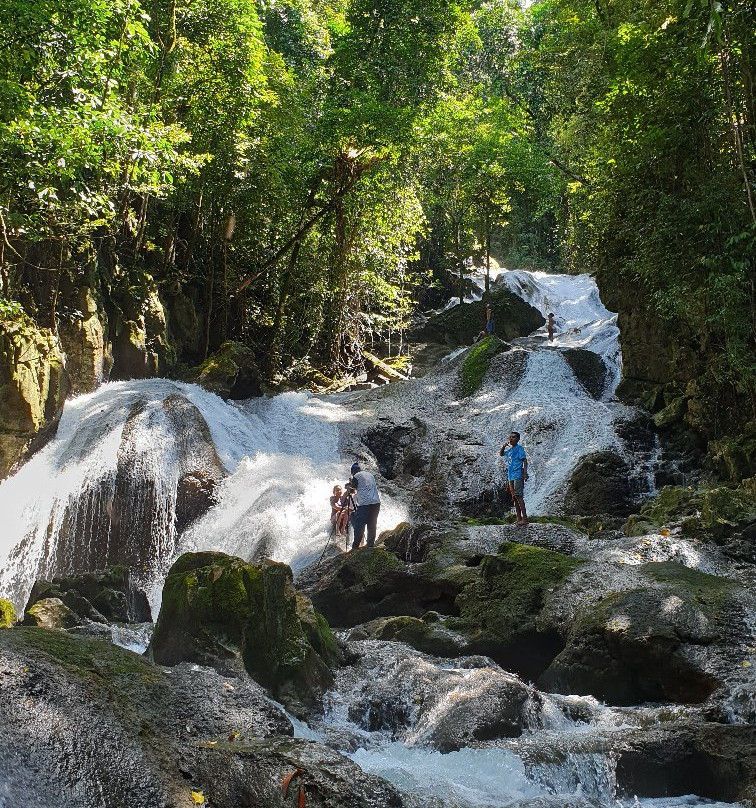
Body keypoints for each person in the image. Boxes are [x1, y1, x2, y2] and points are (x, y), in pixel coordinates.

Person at [348, 462, 381, 550]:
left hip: (364, 504)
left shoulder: (356, 476)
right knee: (372, 523)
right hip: (376, 503)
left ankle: (355, 547)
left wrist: (349, 485)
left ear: (353, 471)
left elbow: (353, 488)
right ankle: (370, 545)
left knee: (360, 525)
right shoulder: (370, 475)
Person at [499, 431, 529, 526]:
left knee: (519, 496)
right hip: (510, 475)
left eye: (514, 437)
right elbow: (501, 454)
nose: (511, 439)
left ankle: (525, 518)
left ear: (518, 439)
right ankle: (518, 518)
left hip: (518, 474)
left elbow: (525, 460)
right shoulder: (510, 450)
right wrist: (504, 446)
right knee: (514, 497)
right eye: (510, 437)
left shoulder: (519, 448)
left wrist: (525, 473)